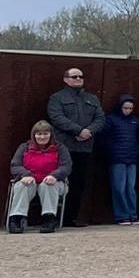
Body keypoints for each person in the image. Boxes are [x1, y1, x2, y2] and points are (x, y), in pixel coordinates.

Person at [47, 67, 104, 226]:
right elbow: (57, 118)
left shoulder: (91, 98)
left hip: (85, 147)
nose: (78, 79)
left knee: (79, 183)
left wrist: (88, 131)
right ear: (66, 79)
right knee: (61, 182)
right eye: (74, 76)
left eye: (80, 76)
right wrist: (78, 130)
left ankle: (71, 217)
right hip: (65, 147)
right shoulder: (57, 98)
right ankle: (53, 218)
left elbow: (100, 118)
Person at [8, 122, 72, 234]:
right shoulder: (24, 147)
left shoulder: (60, 148)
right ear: (34, 135)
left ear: (51, 134)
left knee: (48, 185)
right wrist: (25, 175)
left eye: (45, 133)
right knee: (22, 185)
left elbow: (66, 166)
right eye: (39, 134)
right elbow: (15, 165)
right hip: (30, 180)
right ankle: (16, 218)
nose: (42, 137)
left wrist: (54, 175)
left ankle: (49, 218)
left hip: (54, 181)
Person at [102, 95, 139, 226]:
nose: (128, 110)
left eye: (131, 108)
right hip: (116, 157)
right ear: (120, 107)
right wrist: (111, 151)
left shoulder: (136, 121)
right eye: (125, 108)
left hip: (132, 157)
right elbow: (104, 138)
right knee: (119, 188)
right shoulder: (111, 119)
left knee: (130, 188)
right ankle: (122, 215)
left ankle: (133, 214)